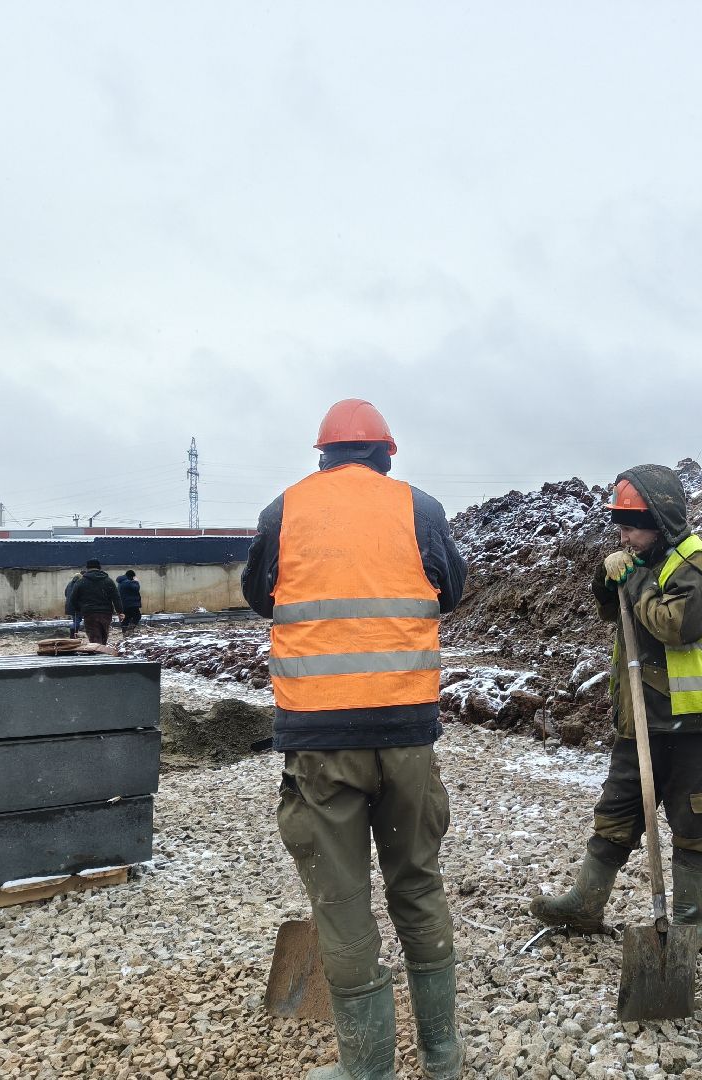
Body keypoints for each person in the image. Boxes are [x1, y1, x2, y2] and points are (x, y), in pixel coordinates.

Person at [241, 398, 467, 1080]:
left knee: (341, 902)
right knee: (417, 884)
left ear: (323, 456)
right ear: (385, 455)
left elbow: (259, 595)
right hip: (405, 733)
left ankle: (367, 1069)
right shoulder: (419, 507)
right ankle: (442, 1058)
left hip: (321, 738)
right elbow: (451, 589)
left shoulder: (284, 511)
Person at [530, 465, 702, 935]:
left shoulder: (695, 566)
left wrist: (634, 581)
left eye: (633, 524)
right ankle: (586, 901)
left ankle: (687, 923)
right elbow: (610, 611)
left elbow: (676, 625)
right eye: (619, 524)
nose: (624, 534)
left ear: (662, 520)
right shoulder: (641, 560)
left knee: (694, 825)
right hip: (638, 719)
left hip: (694, 723)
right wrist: (608, 577)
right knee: (617, 811)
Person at [69, 559, 123, 645]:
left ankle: (97, 653)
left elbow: (72, 599)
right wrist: (120, 611)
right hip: (106, 613)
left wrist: (80, 608)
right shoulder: (108, 581)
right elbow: (116, 597)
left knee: (94, 637)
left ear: (87, 568)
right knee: (103, 636)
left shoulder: (81, 582)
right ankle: (101, 652)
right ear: (99, 567)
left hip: (89, 613)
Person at [64, 573, 83, 638]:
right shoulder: (79, 584)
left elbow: (66, 593)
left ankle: (74, 634)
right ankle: (73, 634)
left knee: (75, 619)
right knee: (77, 620)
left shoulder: (69, 584)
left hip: (69, 605)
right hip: (76, 605)